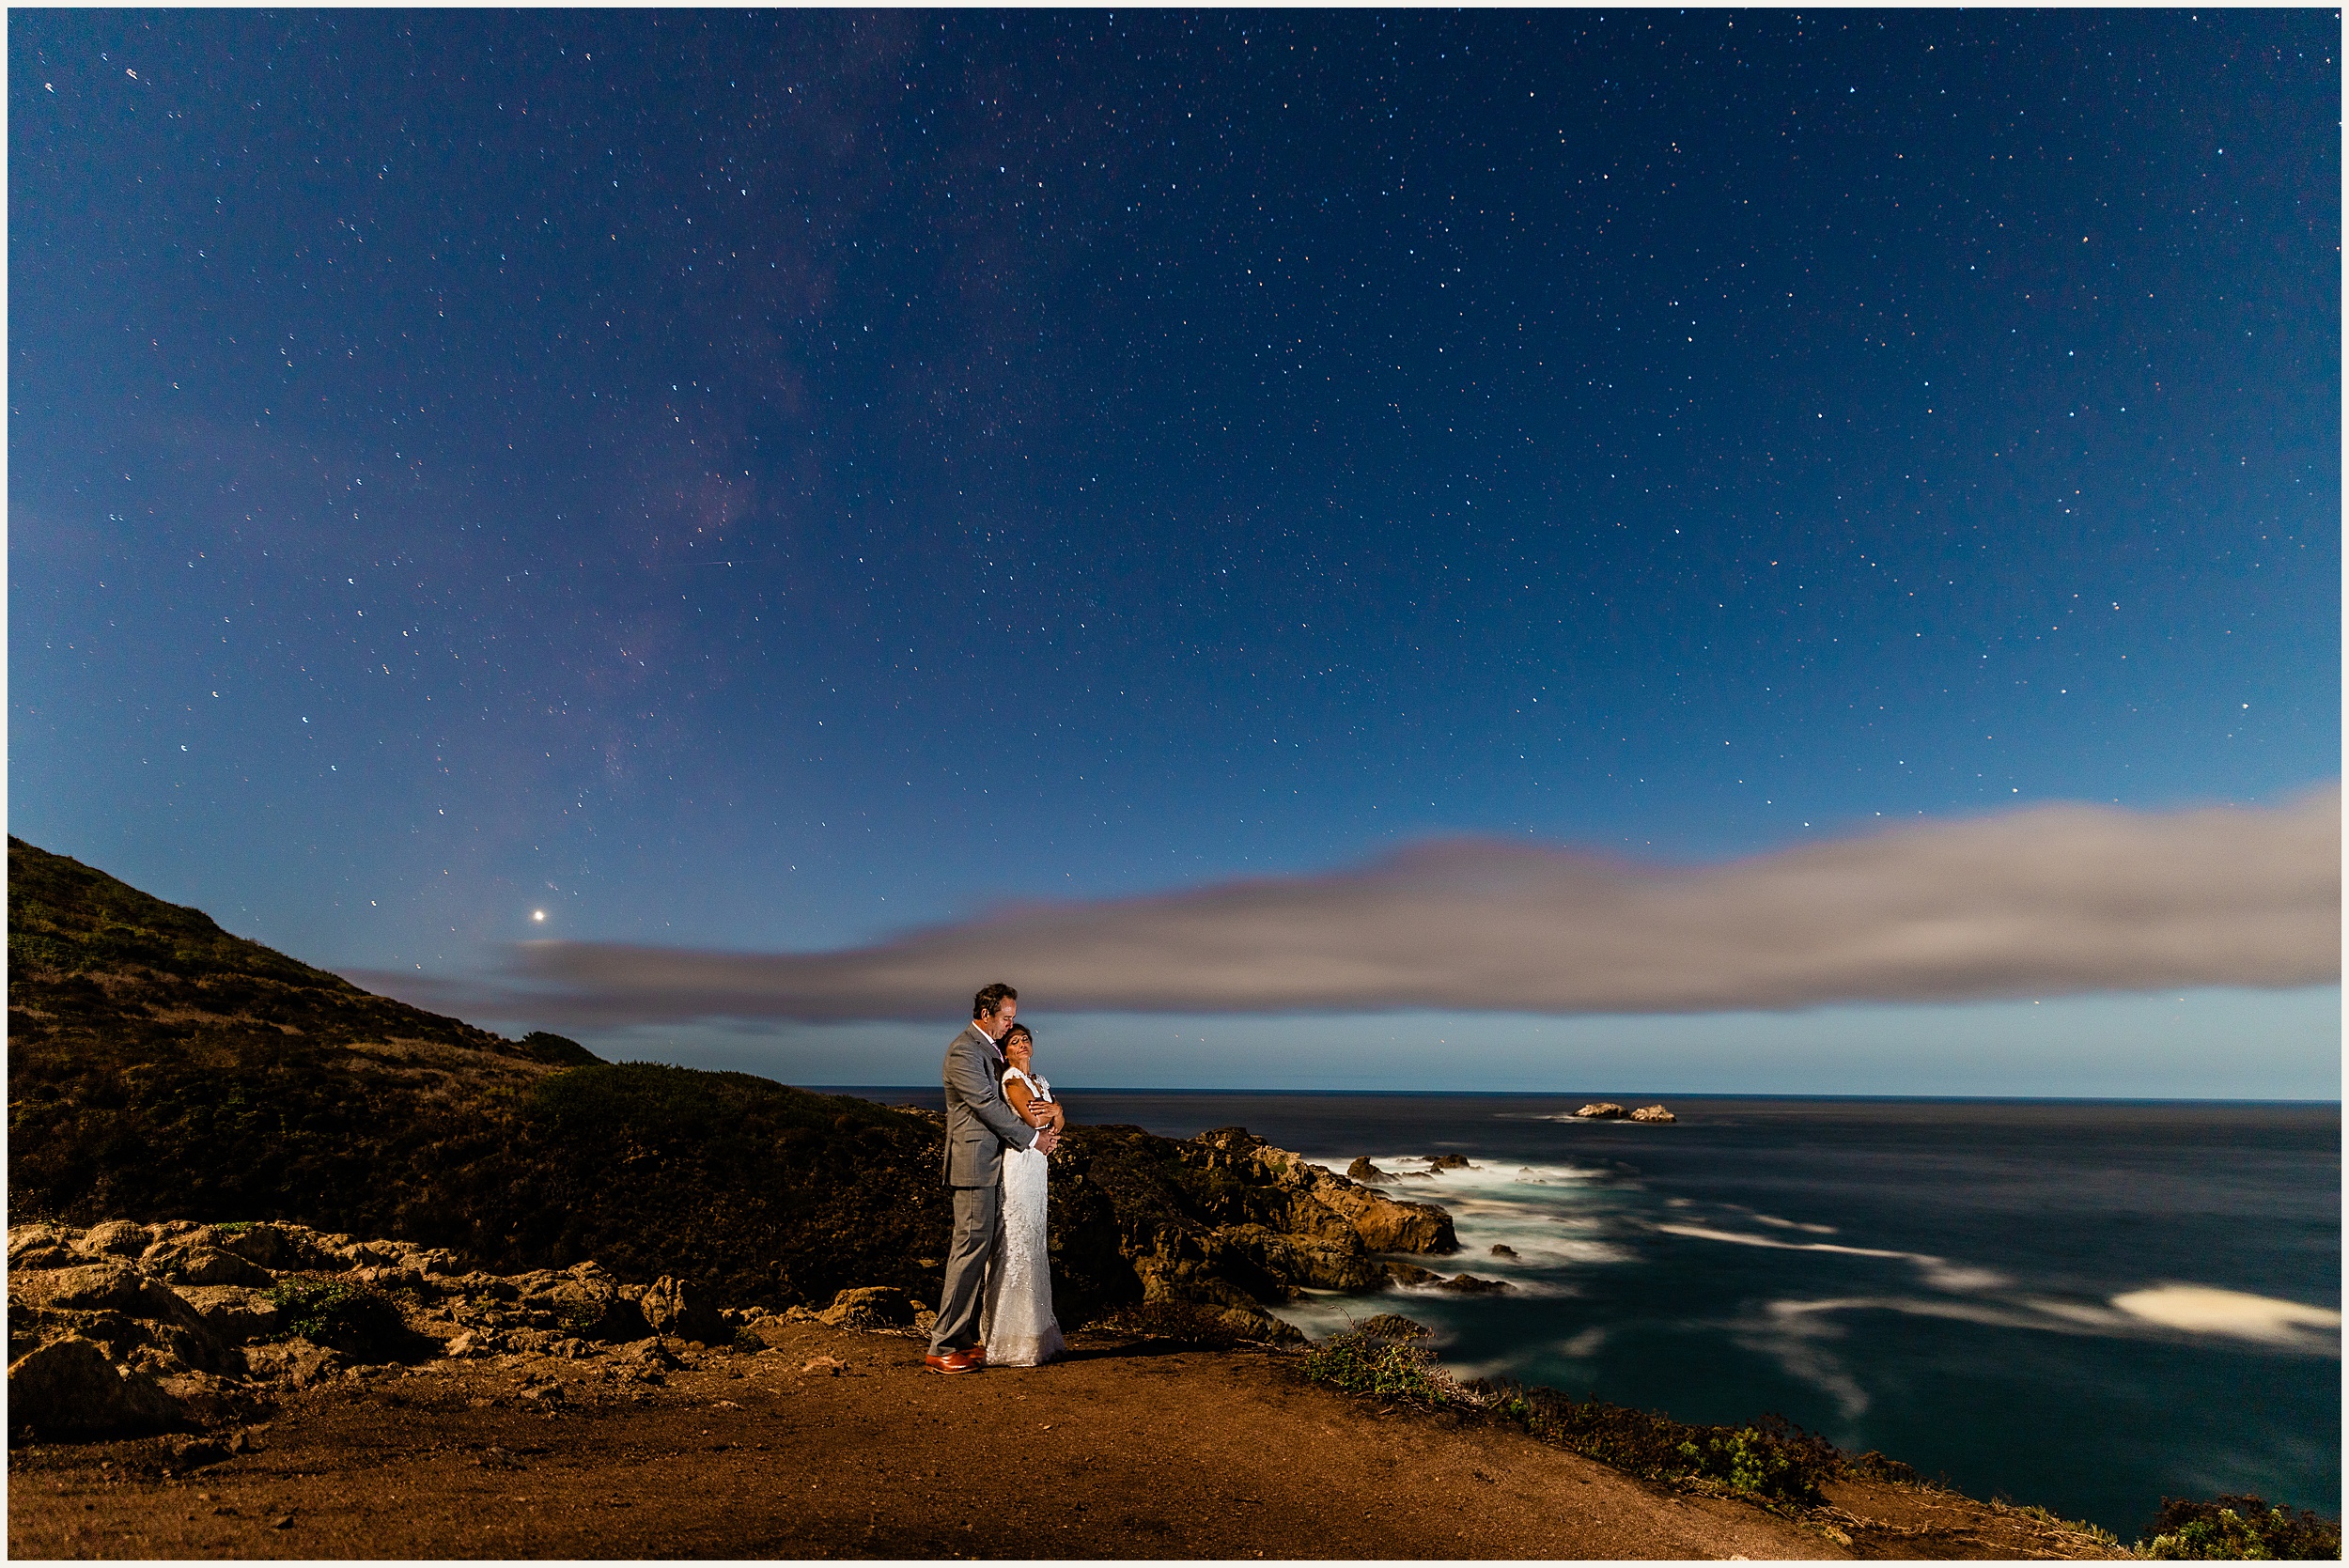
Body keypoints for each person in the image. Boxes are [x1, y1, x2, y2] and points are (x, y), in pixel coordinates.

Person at [926, 983, 1058, 1374]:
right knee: (968, 1251)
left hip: (992, 1164)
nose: (1011, 1023)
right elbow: (984, 1104)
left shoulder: (991, 1051)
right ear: (986, 1013)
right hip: (972, 1164)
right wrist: (1032, 1138)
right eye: (1006, 1017)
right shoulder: (964, 1050)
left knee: (980, 1251)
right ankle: (942, 1345)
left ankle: (963, 1339)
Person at [981, 1022, 1066, 1367]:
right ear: (1006, 1050)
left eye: (1026, 1039)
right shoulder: (1012, 1080)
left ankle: (1035, 1335)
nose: (1023, 1045)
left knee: (1033, 1241)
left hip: (1038, 1165)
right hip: (1019, 1163)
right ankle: (1008, 1339)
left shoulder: (1039, 1082)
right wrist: (1052, 1114)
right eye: (1015, 1041)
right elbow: (1033, 1121)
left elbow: (1058, 1123)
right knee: (1015, 1242)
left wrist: (1057, 1113)